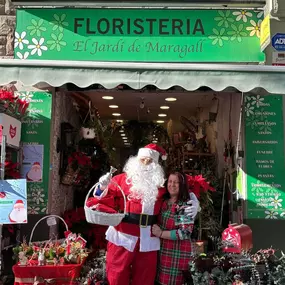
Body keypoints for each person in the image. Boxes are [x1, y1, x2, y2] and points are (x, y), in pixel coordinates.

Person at [92, 144, 200, 285]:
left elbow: (182, 187)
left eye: (150, 161)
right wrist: (101, 187)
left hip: (148, 239)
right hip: (122, 236)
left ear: (156, 165)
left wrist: (194, 200)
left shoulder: (161, 185)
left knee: (145, 278)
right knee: (117, 276)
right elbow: (101, 199)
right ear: (136, 160)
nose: (145, 164)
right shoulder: (120, 180)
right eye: (143, 160)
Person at [152, 171, 198, 285]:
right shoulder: (164, 201)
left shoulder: (184, 205)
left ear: (182, 185)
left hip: (177, 254)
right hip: (163, 253)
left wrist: (161, 233)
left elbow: (185, 232)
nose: (172, 185)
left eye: (176, 182)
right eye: (170, 181)